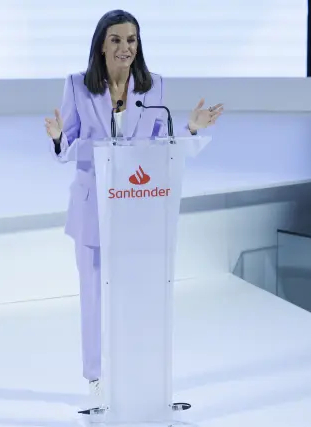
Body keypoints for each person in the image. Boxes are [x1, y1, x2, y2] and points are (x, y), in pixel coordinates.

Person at [44, 9, 223, 405]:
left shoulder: (154, 87)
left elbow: (160, 147)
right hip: (94, 208)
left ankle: (135, 368)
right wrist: (58, 140)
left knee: (134, 295)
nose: (126, 48)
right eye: (117, 40)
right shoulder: (77, 86)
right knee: (93, 295)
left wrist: (190, 129)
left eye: (132, 40)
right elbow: (68, 149)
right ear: (101, 45)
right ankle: (96, 377)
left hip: (136, 210)